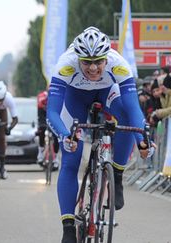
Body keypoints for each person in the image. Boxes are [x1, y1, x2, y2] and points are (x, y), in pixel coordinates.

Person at [46, 26, 156, 243]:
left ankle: (116, 174)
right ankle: (68, 228)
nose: (94, 68)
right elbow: (52, 112)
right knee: (71, 160)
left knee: (124, 115)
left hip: (107, 92)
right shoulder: (65, 65)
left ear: (107, 58)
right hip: (75, 98)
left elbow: (134, 109)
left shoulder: (119, 64)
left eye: (99, 61)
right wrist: (65, 135)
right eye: (87, 62)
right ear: (78, 58)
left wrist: (143, 140)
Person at [36, 90, 59, 170]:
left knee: (56, 134)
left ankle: (55, 157)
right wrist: (41, 125)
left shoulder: (58, 98)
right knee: (42, 129)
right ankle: (41, 152)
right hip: (42, 112)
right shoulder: (42, 97)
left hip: (54, 112)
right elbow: (40, 115)